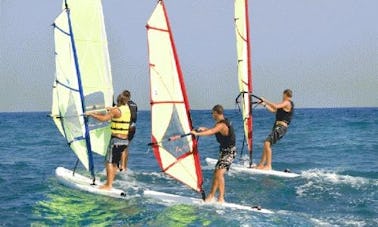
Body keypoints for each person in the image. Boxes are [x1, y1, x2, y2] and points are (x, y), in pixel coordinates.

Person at [191, 104, 236, 203]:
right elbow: (214, 130)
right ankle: (211, 195)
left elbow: (212, 131)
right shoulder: (221, 123)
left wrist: (197, 134)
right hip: (224, 152)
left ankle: (221, 198)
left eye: (212, 113)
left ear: (216, 113)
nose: (212, 115)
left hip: (229, 152)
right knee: (216, 173)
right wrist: (204, 129)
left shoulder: (221, 125)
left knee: (219, 173)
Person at [86, 93, 132, 190]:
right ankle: (110, 182)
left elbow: (103, 119)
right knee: (115, 162)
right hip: (125, 141)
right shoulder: (127, 108)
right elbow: (117, 110)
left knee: (109, 162)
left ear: (118, 100)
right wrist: (111, 109)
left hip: (116, 141)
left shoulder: (116, 111)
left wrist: (91, 114)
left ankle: (108, 185)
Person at [256, 89, 294, 170]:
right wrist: (263, 104)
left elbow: (275, 106)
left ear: (285, 95)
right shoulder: (283, 105)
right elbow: (273, 110)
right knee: (266, 145)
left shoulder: (287, 103)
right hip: (277, 126)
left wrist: (265, 100)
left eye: (283, 95)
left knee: (267, 143)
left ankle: (268, 165)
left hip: (281, 127)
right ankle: (261, 165)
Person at [119, 90, 138, 171]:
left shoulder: (125, 105)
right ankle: (125, 167)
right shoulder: (134, 104)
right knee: (126, 147)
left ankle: (122, 167)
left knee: (122, 148)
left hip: (126, 128)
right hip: (133, 128)